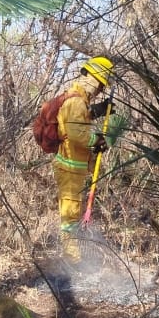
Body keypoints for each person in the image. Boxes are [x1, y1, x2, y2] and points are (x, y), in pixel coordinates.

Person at [51, 56, 114, 260]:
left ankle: (73, 254)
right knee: (70, 214)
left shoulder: (79, 101)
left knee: (73, 211)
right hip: (69, 169)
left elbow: (81, 119)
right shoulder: (76, 101)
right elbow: (78, 134)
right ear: (94, 80)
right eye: (101, 85)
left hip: (74, 168)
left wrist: (100, 110)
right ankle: (72, 259)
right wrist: (97, 139)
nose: (100, 91)